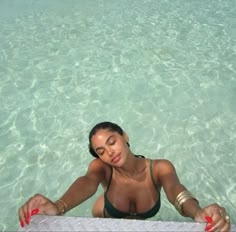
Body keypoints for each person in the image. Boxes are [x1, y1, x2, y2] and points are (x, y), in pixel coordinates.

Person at [18, 121, 231, 231]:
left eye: (112, 141)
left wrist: (197, 212)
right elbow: (87, 183)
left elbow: (176, 191)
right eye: (101, 151)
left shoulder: (159, 168)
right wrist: (58, 206)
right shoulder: (101, 168)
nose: (109, 152)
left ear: (125, 136)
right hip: (105, 214)